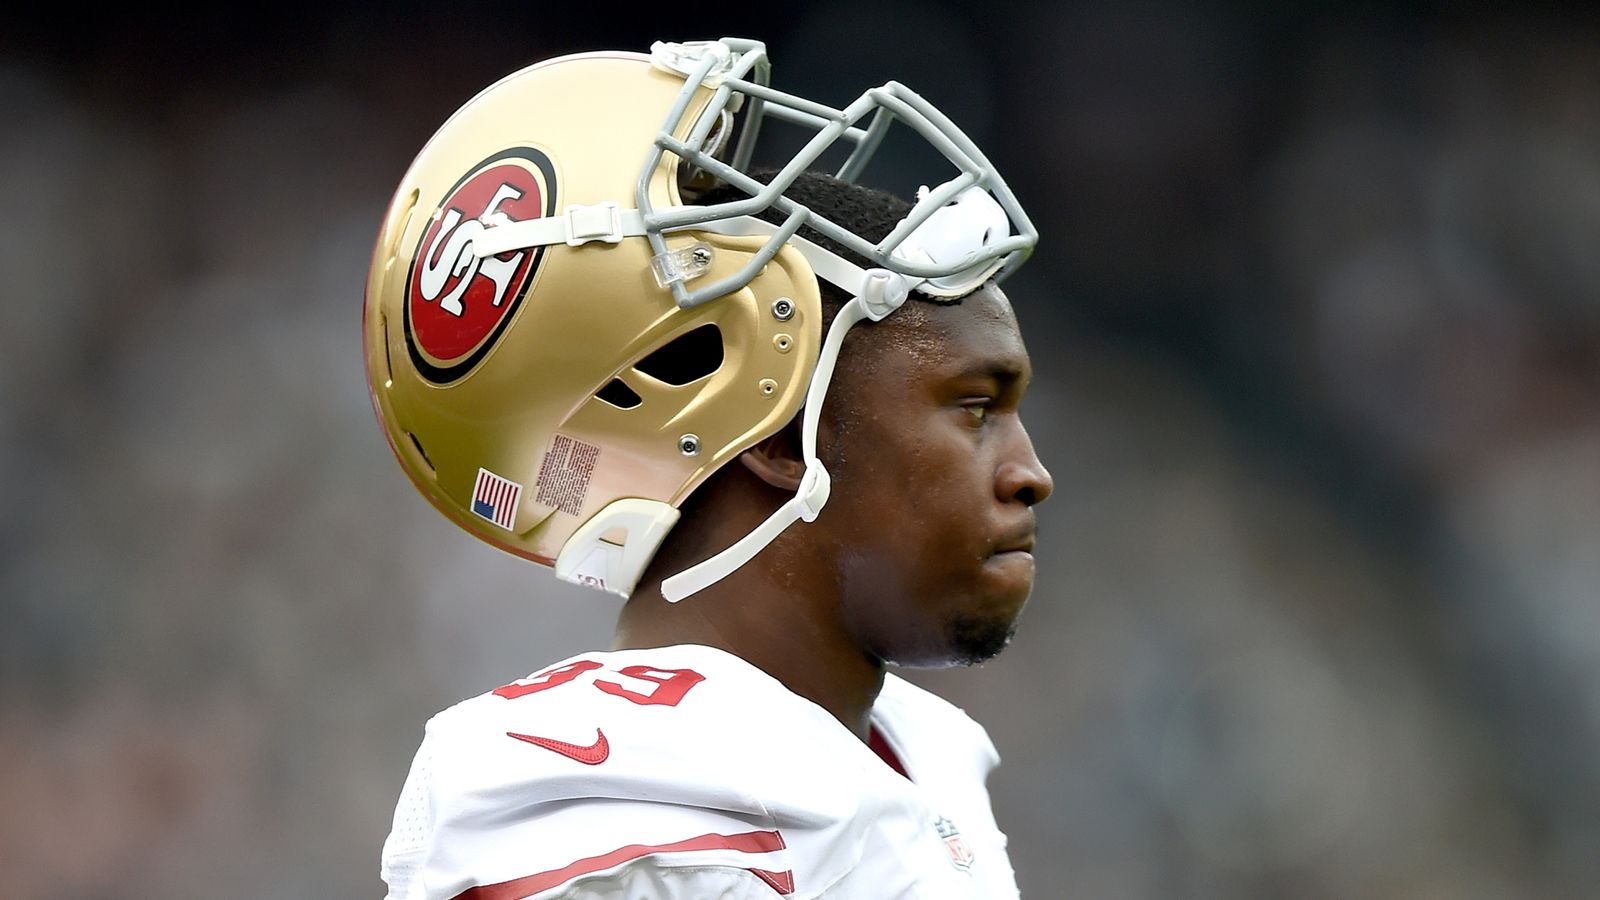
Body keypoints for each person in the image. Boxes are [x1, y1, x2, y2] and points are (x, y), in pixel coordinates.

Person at [364, 36, 1052, 899]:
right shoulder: (620, 811)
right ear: (778, 436)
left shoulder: (923, 756)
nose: (1031, 473)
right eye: (975, 408)